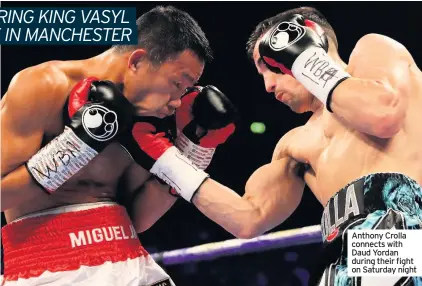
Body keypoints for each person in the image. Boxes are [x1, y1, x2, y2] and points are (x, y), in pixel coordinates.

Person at [129, 6, 422, 286]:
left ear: (307, 39)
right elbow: (248, 218)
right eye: (262, 76)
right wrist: (173, 158)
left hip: (402, 237)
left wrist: (307, 60)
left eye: (274, 66)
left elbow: (384, 115)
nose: (268, 85)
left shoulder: (372, 53)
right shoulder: (294, 146)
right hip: (344, 260)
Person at [0, 5, 222, 286]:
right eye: (177, 84)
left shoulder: (148, 118)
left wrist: (193, 150)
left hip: (131, 261)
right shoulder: (44, 86)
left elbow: (138, 219)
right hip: (50, 269)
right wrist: (77, 145)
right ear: (137, 61)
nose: (178, 101)